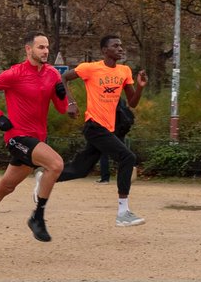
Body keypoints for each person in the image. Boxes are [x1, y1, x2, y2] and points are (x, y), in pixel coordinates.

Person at [0, 32, 75, 248]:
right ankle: (37, 217)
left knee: (6, 186)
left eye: (47, 47)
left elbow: (62, 109)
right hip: (17, 137)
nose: (45, 51)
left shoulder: (52, 74)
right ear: (28, 49)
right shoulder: (15, 73)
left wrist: (62, 94)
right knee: (56, 164)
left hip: (36, 139)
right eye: (40, 47)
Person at [55, 34, 147, 226]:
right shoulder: (90, 68)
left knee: (80, 170)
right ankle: (123, 213)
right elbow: (63, 77)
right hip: (94, 125)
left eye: (121, 45)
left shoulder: (124, 71)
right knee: (127, 157)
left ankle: (47, 175)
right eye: (116, 45)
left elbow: (132, 103)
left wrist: (139, 87)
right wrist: (70, 102)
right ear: (105, 50)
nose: (121, 48)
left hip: (108, 128)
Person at [98, 100, 136, 183]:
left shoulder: (107, 102)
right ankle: (126, 174)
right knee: (123, 154)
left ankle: (105, 178)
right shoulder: (122, 102)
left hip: (110, 130)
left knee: (104, 154)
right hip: (121, 130)